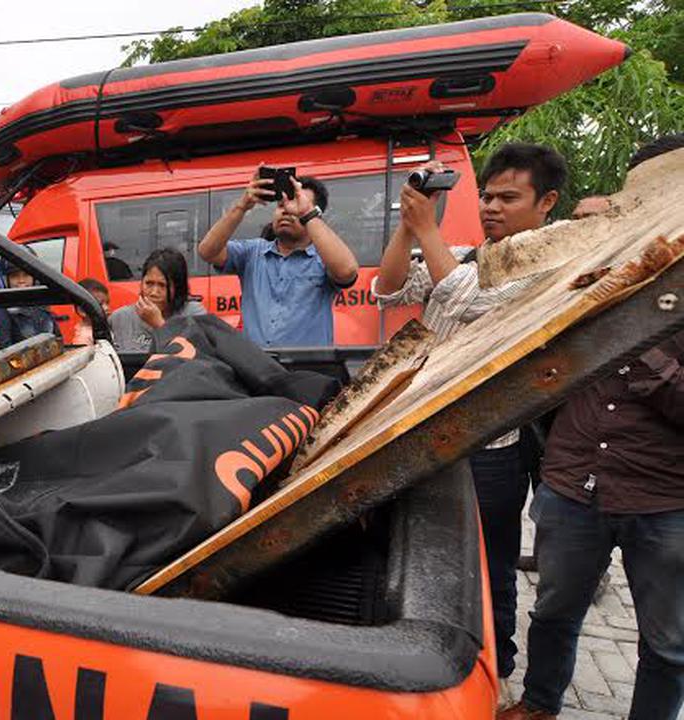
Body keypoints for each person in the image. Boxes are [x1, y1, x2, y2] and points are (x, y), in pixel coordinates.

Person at [500, 134, 684, 720]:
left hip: (663, 498)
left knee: (669, 642)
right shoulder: (595, 263)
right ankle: (539, 704)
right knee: (553, 611)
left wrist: (627, 345)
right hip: (572, 482)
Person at [374, 143, 567, 685]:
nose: (491, 207)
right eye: (486, 195)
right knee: (421, 558)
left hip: (490, 451)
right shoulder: (461, 256)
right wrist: (410, 227)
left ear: (546, 201)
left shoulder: (550, 263)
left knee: (490, 569)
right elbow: (386, 290)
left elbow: (476, 306)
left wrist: (428, 234)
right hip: (425, 437)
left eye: (509, 197)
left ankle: (495, 673)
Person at [197, 167, 359, 347]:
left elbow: (347, 271)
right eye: (281, 205)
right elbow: (207, 251)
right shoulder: (253, 252)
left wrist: (307, 213)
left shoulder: (323, 258)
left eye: (297, 205)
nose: (287, 211)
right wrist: (242, 205)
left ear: (314, 212)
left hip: (309, 370)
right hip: (258, 368)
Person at [109, 248, 207, 352]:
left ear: (178, 288)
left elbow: (198, 356)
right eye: (149, 284)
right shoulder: (120, 318)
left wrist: (159, 324)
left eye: (162, 285)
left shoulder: (193, 314)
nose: (154, 292)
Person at [0, 251, 60, 346]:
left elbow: (57, 339)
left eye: (26, 275)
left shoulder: (41, 303)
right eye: (15, 276)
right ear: (6, 280)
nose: (21, 281)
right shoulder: (3, 308)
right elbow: (4, 348)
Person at [72, 278, 110, 346]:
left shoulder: (101, 328)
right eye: (100, 304)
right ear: (82, 311)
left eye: (107, 303)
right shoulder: (83, 338)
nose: (106, 308)